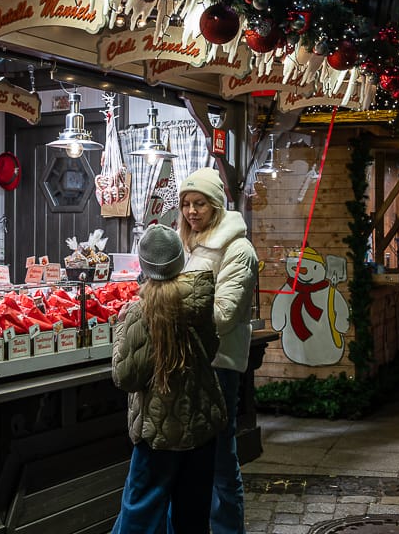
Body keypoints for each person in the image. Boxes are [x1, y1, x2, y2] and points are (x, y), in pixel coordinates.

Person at [110, 224, 226, 533]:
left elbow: (126, 376)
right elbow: (212, 348)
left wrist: (122, 327)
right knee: (192, 518)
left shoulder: (141, 311)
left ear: (144, 265)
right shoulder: (200, 300)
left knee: (141, 515)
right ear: (179, 261)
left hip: (157, 434)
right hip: (201, 427)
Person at [177, 167, 258, 534]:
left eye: (200, 204)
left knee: (222, 461)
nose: (192, 211)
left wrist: (171, 308)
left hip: (220, 363)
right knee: (197, 461)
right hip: (191, 362)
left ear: (216, 205)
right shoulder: (189, 243)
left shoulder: (238, 249)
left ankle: (228, 529)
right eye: (186, 204)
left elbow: (224, 314)